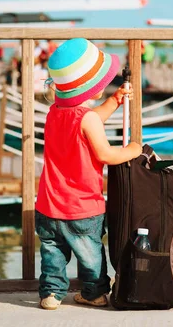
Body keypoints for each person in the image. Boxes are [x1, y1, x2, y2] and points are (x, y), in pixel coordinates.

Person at [35, 38, 142, 310]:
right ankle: (93, 293)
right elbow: (106, 154)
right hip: (82, 207)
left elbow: (87, 121)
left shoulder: (54, 113)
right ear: (92, 87)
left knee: (52, 252)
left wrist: (115, 101)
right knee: (90, 254)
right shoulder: (88, 119)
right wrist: (132, 149)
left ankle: (51, 294)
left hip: (49, 205)